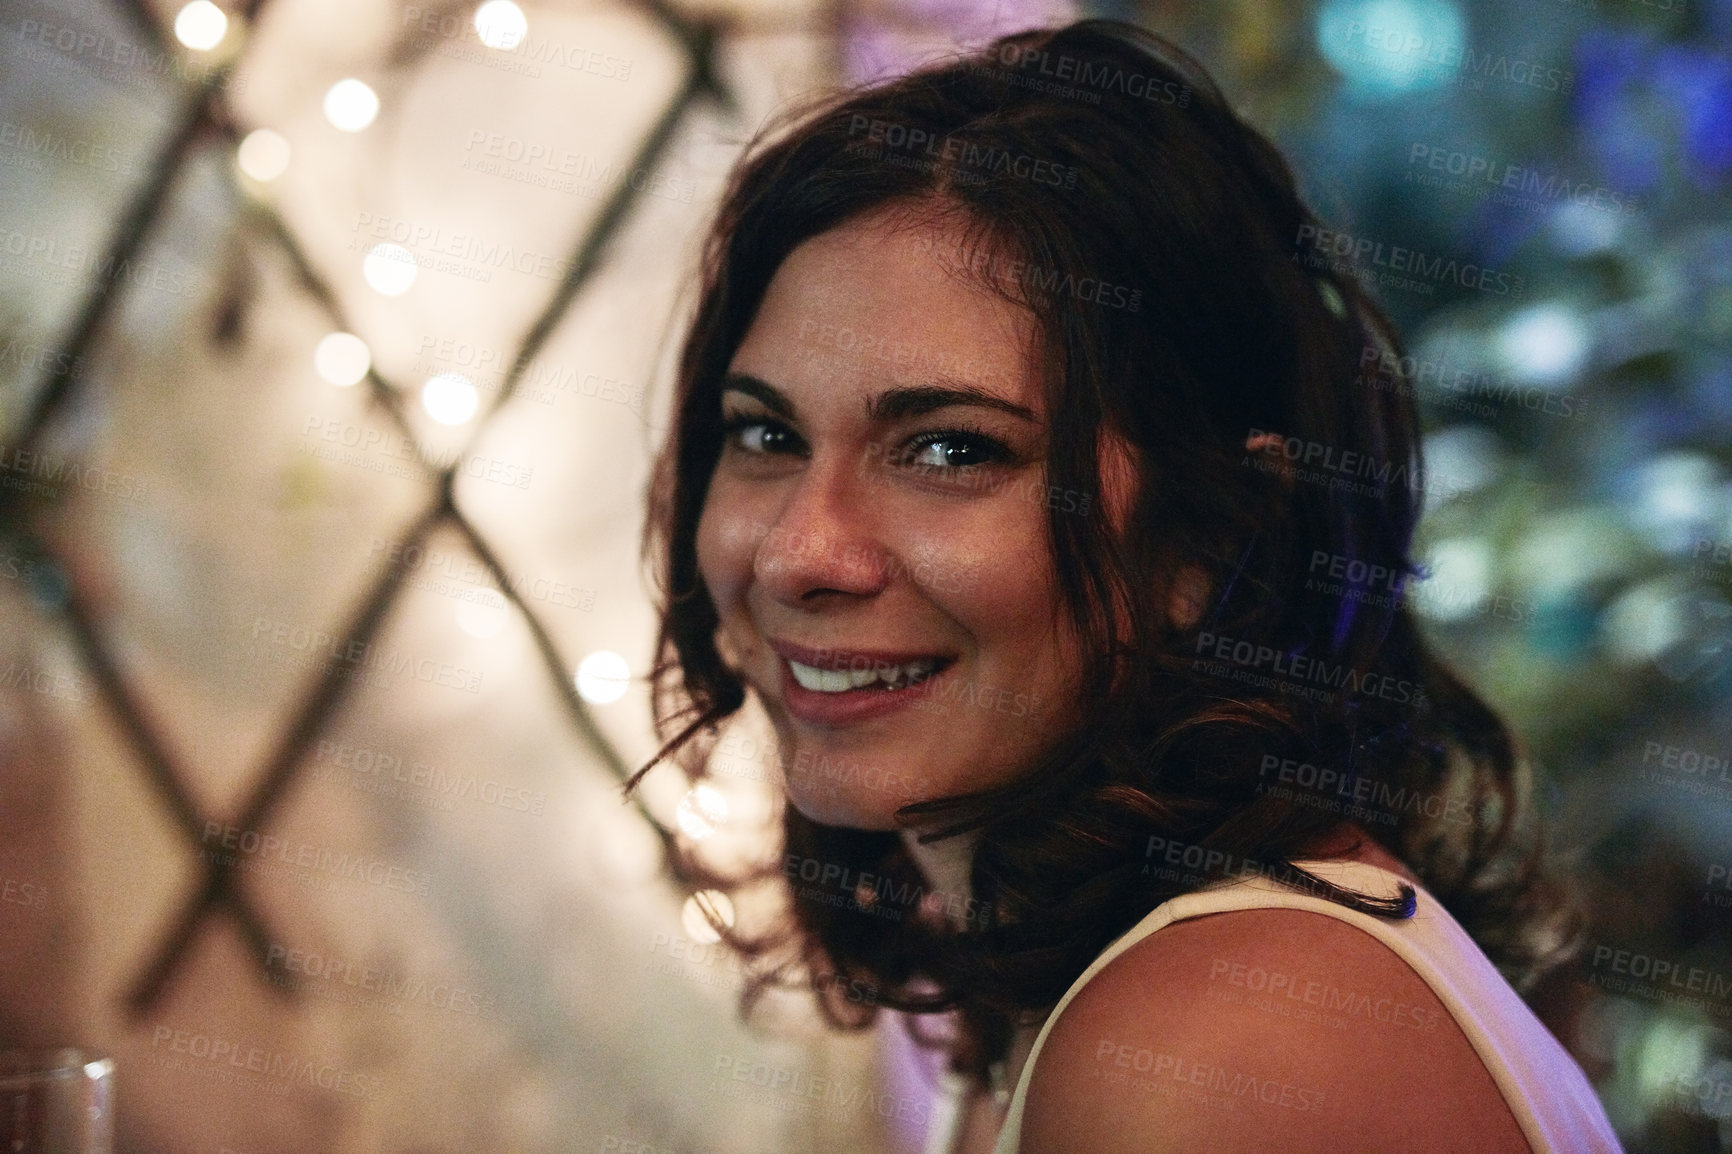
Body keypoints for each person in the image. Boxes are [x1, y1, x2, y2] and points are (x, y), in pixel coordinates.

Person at [627, 18, 1623, 1153]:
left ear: (1212, 531)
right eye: (765, 433)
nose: (800, 552)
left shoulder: (1211, 1045)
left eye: (952, 449)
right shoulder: (1090, 982)